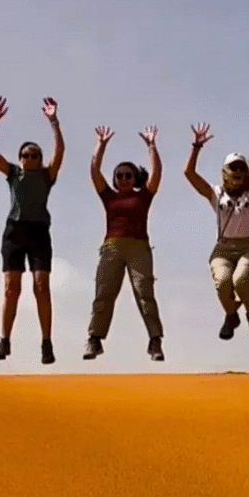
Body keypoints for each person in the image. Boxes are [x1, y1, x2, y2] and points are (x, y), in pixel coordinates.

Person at [0, 95, 65, 364]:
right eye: (26, 155)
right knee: (11, 288)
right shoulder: (13, 173)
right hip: (14, 232)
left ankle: (46, 343)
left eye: (35, 155)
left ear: (40, 159)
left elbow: (60, 152)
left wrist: (54, 121)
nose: (31, 158)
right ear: (20, 158)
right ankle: (4, 340)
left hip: (39, 233)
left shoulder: (46, 175)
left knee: (41, 286)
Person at [184, 121, 249, 340]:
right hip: (222, 249)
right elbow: (189, 173)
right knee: (223, 283)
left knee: (240, 280)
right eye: (234, 167)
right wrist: (196, 147)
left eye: (242, 168)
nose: (238, 171)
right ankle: (231, 316)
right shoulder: (216, 193)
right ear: (225, 172)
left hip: (248, 247)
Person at [83, 125, 165, 361]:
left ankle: (155, 341)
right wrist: (101, 145)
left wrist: (151, 145)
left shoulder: (144, 195)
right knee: (104, 292)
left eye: (128, 175)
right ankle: (94, 339)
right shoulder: (109, 196)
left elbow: (157, 171)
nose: (124, 179)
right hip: (112, 246)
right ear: (115, 180)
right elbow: (94, 169)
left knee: (144, 292)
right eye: (119, 176)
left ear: (135, 178)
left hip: (139, 247)